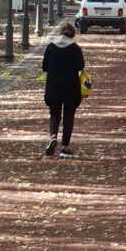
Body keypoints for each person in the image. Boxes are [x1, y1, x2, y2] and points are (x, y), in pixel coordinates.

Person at [42, 21, 87, 156]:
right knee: (68, 116)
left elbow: (45, 66)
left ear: (60, 33)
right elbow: (80, 65)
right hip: (71, 87)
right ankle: (65, 147)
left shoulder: (51, 47)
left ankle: (53, 136)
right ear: (72, 35)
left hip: (53, 86)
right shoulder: (75, 48)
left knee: (54, 114)